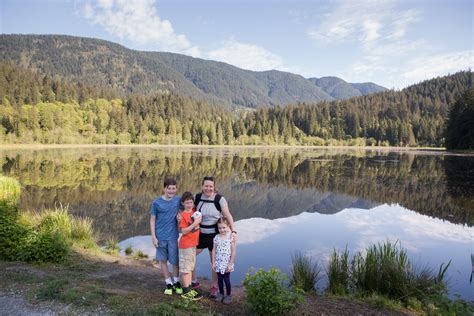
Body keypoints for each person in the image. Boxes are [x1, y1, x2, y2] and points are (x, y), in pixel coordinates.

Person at [193, 176, 237, 298]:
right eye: (206, 186)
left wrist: (233, 231)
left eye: (210, 186)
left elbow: (228, 215)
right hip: (200, 234)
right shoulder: (197, 198)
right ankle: (193, 281)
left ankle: (214, 286)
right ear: (202, 186)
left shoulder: (219, 199)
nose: (208, 188)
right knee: (190, 256)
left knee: (215, 262)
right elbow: (189, 212)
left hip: (214, 235)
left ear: (214, 187)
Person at [149, 177, 183, 295]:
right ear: (164, 189)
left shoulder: (178, 200)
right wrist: (153, 237)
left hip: (173, 236)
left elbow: (187, 209)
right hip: (160, 236)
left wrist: (180, 216)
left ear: (176, 189)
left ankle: (176, 282)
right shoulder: (156, 203)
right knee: (163, 260)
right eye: (169, 189)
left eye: (174, 189)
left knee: (175, 261)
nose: (171, 191)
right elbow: (152, 220)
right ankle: (168, 282)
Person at [178, 192, 203, 300]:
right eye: (187, 202)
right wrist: (195, 223)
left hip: (193, 245)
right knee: (185, 269)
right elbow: (183, 231)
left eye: (191, 202)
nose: (189, 204)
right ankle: (186, 291)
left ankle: (189, 287)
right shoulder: (182, 215)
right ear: (183, 203)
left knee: (190, 268)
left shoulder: (194, 212)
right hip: (185, 245)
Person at [211, 217, 236, 304]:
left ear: (228, 226)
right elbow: (214, 250)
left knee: (226, 280)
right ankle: (221, 294)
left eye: (223, 227)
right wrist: (213, 263)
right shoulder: (216, 237)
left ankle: (228, 295)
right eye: (220, 228)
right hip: (218, 262)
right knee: (220, 280)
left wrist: (230, 264)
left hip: (227, 263)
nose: (222, 230)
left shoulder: (231, 237)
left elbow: (233, 252)